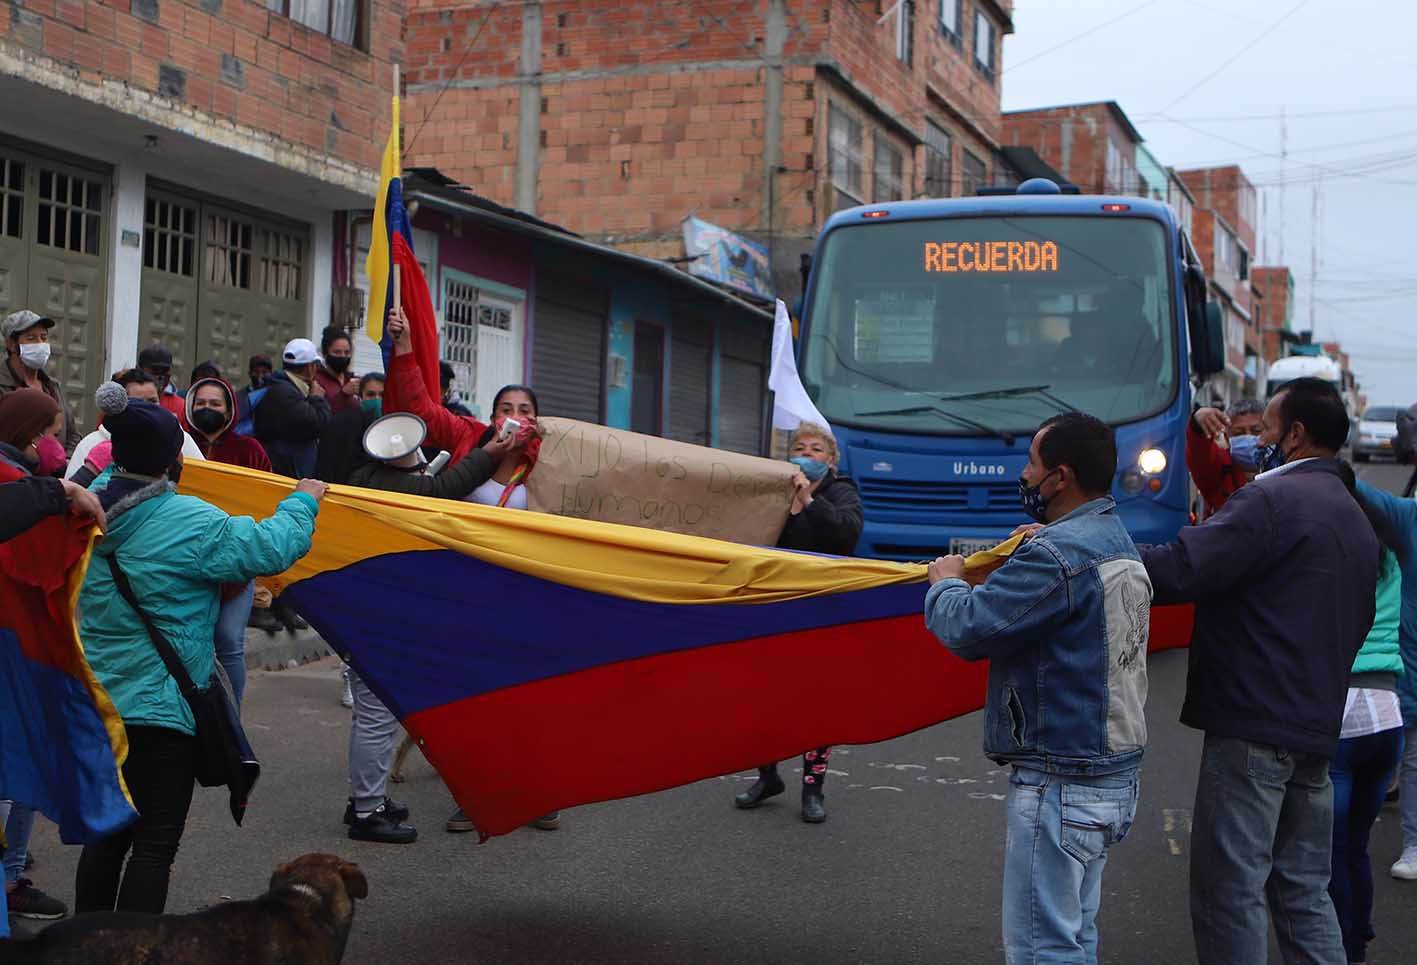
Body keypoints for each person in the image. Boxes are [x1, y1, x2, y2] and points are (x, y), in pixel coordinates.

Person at [1140, 377, 1379, 965]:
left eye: (1266, 430)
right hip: (1315, 729)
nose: (1256, 442)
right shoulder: (1353, 516)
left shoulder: (1272, 500)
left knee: (1230, 891)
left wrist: (1092, 551)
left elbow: (1183, 568)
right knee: (1302, 891)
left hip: (1254, 726)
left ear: (1295, 435)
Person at [72, 383, 323, 915]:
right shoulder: (189, 520)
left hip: (99, 706)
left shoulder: (80, 510)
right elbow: (272, 546)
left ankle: (85, 948)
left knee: (106, 839)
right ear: (172, 461)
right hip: (162, 713)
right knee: (153, 846)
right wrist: (304, 500)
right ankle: (134, 954)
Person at [924, 411, 1149, 965]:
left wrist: (945, 583)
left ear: (1061, 477)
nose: (1024, 475)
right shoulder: (1115, 538)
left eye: (1032, 463)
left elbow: (971, 628)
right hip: (1113, 779)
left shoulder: (1055, 556)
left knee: (1041, 949)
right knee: (1076, 936)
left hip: (1060, 783)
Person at [387, 306, 553, 832]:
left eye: (524, 409)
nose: (514, 415)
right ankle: (475, 792)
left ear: (537, 420)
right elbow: (417, 407)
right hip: (464, 589)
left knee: (527, 694)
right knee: (473, 694)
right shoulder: (466, 438)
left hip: (527, 594)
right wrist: (406, 345)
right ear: (491, 412)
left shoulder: (555, 461)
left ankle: (537, 792)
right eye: (506, 406)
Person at [337, 412, 532, 845]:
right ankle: (367, 811)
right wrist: (491, 452)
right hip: (378, 623)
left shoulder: (365, 477)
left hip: (367, 615)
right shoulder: (405, 486)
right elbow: (443, 487)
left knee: (374, 717)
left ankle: (368, 799)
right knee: (375, 719)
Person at [0, 387, 106, 923]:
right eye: (46, 433)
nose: (52, 444)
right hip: (14, 651)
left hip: (15, 649)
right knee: (17, 762)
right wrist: (63, 493)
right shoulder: (16, 481)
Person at [734, 422, 863, 823]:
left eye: (816, 449)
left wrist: (809, 500)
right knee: (764, 699)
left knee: (814, 704)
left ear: (831, 459)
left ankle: (813, 788)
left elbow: (845, 537)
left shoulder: (842, 492)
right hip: (774, 610)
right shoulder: (774, 491)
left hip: (821, 614)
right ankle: (768, 776)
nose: (806, 454)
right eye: (799, 447)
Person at [1329, 472, 1405, 965]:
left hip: (1340, 715)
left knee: (1328, 850)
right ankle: (1359, 939)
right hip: (1388, 717)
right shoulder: (1393, 560)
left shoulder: (1334, 558)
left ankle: (1338, 944)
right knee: (1357, 844)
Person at [186, 376, 276, 705]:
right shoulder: (176, 445)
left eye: (215, 404)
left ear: (229, 409)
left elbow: (267, 498)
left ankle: (231, 723)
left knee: (228, 641)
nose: (207, 409)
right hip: (187, 561)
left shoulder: (249, 450)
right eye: (201, 403)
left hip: (236, 563)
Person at [1352, 470, 1417, 882]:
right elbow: (1362, 492)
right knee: (1410, 758)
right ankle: (1413, 843)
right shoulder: (1409, 518)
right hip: (1406, 668)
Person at [66, 370, 204, 486]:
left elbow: (203, 482)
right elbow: (73, 492)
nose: (148, 409)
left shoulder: (180, 438)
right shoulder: (91, 444)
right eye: (139, 402)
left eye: (152, 401)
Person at [0, 310, 81, 453]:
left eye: (43, 338)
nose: (40, 344)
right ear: (12, 345)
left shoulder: (53, 386)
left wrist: (65, 461)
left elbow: (72, 433)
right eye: (31, 338)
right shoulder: (3, 386)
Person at [253, 338, 331, 480]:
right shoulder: (284, 392)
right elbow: (318, 425)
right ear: (310, 367)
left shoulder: (283, 387)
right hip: (287, 472)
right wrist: (317, 399)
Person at [1185, 398, 1265, 517]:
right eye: (1239, 433)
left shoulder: (1281, 466)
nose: (1249, 437)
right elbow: (1198, 452)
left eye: (1256, 431)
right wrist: (1196, 424)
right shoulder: (1218, 466)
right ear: (1227, 437)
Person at [314, 326, 359, 415]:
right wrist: (343, 394)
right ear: (325, 353)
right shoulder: (316, 380)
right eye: (337, 352)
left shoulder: (351, 379)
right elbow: (320, 414)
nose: (342, 356)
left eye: (346, 352)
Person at [136, 345, 187, 421]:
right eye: (154, 370)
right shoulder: (128, 401)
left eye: (164, 371)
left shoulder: (180, 406)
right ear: (138, 370)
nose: (159, 377)